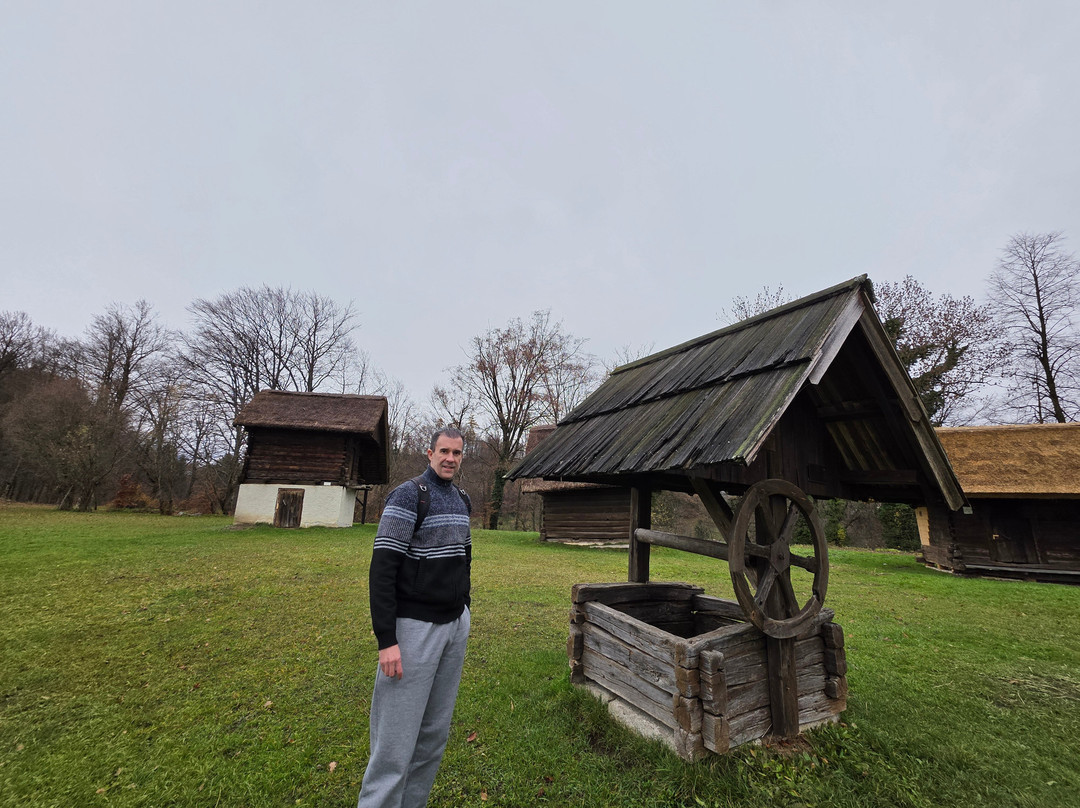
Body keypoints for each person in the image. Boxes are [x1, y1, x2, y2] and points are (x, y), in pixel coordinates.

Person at [357, 427, 472, 808]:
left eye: (456, 453)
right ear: (429, 453)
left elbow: (464, 559)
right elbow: (382, 569)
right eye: (443, 451)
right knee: (394, 743)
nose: (450, 459)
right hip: (413, 631)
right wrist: (386, 640)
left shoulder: (462, 500)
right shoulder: (408, 496)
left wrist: (464, 610)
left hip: (454, 627)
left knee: (433, 736)